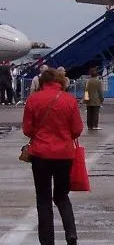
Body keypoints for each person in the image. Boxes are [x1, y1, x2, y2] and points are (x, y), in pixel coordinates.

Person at [22, 68, 83, 245]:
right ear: (59, 80)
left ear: (42, 81)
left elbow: (27, 129)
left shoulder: (33, 99)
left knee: (43, 200)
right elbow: (77, 129)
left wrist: (40, 134)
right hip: (64, 155)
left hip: (40, 155)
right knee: (62, 196)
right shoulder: (69, 100)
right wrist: (64, 137)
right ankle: (71, 233)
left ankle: (47, 241)